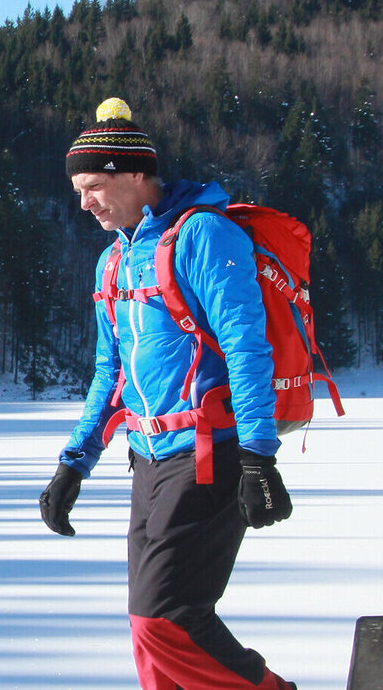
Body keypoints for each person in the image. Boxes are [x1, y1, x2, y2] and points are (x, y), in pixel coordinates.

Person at [39, 98, 297, 689]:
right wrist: (73, 464)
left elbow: (246, 347)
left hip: (210, 453)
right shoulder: (113, 259)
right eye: (78, 190)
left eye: (93, 186)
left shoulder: (204, 234)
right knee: (146, 632)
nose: (84, 203)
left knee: (166, 618)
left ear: (135, 174)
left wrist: (259, 458)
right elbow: (111, 372)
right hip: (148, 459)